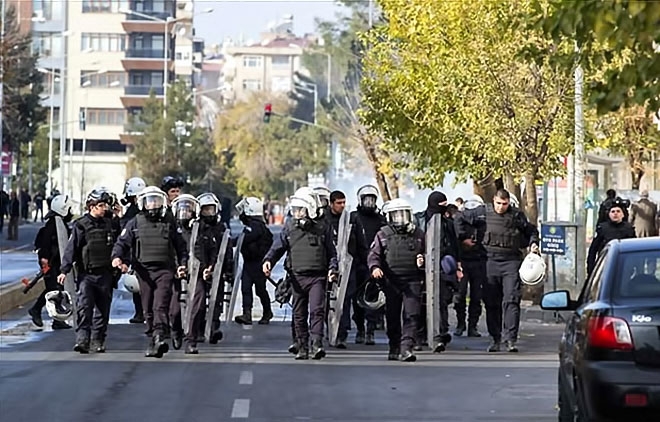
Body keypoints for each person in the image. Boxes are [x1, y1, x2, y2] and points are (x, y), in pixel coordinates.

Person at [111, 186, 188, 358]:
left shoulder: (169, 221)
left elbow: (181, 247)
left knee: (160, 305)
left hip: (164, 271)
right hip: (143, 272)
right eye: (150, 201)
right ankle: (153, 338)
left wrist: (182, 264)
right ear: (142, 203)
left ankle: (160, 337)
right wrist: (117, 257)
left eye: (156, 201)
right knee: (147, 309)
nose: (153, 205)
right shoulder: (136, 222)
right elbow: (122, 242)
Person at [263, 192, 338, 360]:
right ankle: (302, 346)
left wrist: (333, 269)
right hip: (296, 277)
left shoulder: (323, 227)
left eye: (300, 211)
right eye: (295, 210)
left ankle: (316, 343)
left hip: (318, 277)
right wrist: (268, 261)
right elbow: (278, 247)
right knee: (298, 313)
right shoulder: (290, 227)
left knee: (317, 311)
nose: (296, 214)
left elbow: (332, 252)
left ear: (310, 210)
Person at [58, 189, 117, 353]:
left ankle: (98, 340)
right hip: (87, 274)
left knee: (102, 310)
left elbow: (118, 246)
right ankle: (83, 340)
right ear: (92, 206)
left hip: (105, 274)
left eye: (105, 205)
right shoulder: (81, 225)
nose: (104, 208)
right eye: (101, 205)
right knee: (84, 307)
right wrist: (64, 269)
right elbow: (72, 248)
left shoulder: (109, 224)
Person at [368, 198, 425, 362]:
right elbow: (374, 255)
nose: (400, 219)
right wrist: (375, 268)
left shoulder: (418, 234)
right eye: (396, 215)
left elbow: (429, 253)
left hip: (412, 280)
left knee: (412, 315)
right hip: (391, 281)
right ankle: (394, 346)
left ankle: (406, 348)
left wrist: (423, 260)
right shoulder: (383, 234)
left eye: (403, 214)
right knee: (392, 315)